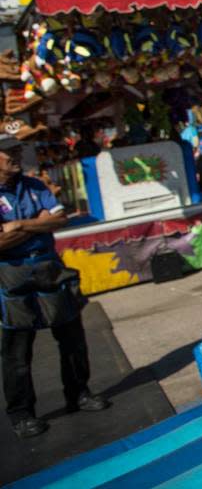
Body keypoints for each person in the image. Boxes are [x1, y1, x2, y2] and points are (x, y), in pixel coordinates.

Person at [0, 134, 108, 439]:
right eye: (8, 151)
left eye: (17, 149)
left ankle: (79, 394)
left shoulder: (35, 186)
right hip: (11, 275)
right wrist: (40, 223)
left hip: (49, 268)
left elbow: (60, 219)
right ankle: (22, 414)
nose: (15, 155)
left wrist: (20, 226)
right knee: (17, 352)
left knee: (72, 337)